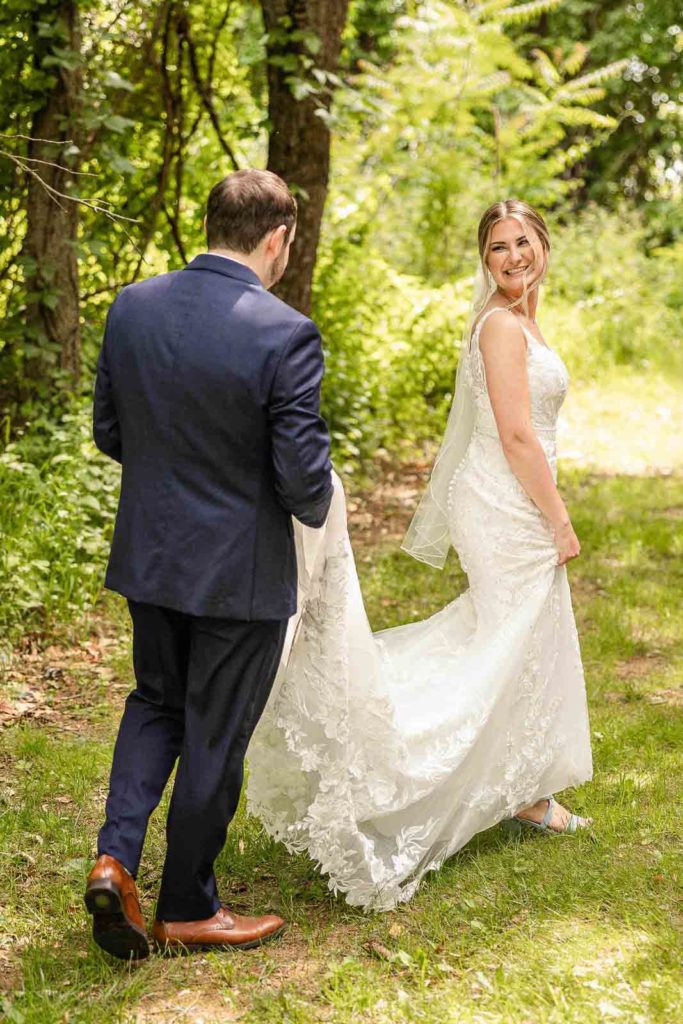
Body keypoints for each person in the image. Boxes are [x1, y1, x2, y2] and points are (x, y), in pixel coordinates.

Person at [247, 199, 594, 911]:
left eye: (522, 242)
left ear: (544, 246)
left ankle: (526, 791)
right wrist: (558, 518)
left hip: (508, 492)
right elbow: (516, 435)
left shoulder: (524, 319)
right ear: (483, 259)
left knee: (516, 638)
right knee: (502, 640)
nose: (512, 257)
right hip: (505, 502)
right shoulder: (501, 326)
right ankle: (405, 767)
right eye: (497, 247)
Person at [86, 169, 333, 958]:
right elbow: (301, 483)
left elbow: (110, 432)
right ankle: (187, 904)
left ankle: (114, 857)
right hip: (239, 574)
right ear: (277, 239)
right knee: (215, 733)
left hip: (151, 556)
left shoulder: (133, 306)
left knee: (155, 701)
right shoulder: (284, 332)